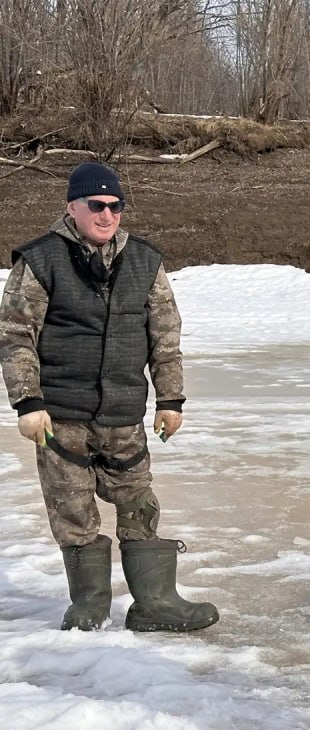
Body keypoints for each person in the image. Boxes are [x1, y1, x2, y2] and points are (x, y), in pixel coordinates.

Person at [0, 161, 218, 633]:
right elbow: (17, 335)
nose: (106, 215)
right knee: (73, 512)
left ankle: (154, 603)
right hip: (59, 418)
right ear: (72, 208)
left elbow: (165, 336)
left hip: (123, 415)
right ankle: (90, 607)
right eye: (96, 205)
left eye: (115, 206)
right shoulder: (40, 260)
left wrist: (170, 399)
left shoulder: (145, 261)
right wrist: (28, 402)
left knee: (139, 502)